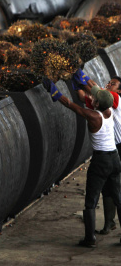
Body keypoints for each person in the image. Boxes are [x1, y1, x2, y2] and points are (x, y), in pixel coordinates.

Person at [43, 78, 121, 247]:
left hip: (101, 161)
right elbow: (96, 95)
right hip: (115, 158)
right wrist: (81, 82)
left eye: (94, 98)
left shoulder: (93, 115)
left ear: (98, 103)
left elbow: (70, 104)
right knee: (118, 196)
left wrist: (54, 90)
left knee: (91, 200)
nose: (91, 98)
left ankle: (90, 239)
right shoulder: (109, 111)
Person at [73, 71, 121, 235]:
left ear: (119, 91)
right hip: (113, 149)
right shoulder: (105, 105)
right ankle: (109, 223)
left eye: (112, 84)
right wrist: (78, 85)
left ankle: (98, 232)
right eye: (108, 82)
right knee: (110, 189)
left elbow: (95, 90)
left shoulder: (114, 98)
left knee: (115, 191)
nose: (108, 85)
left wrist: (82, 77)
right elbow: (84, 97)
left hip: (117, 148)